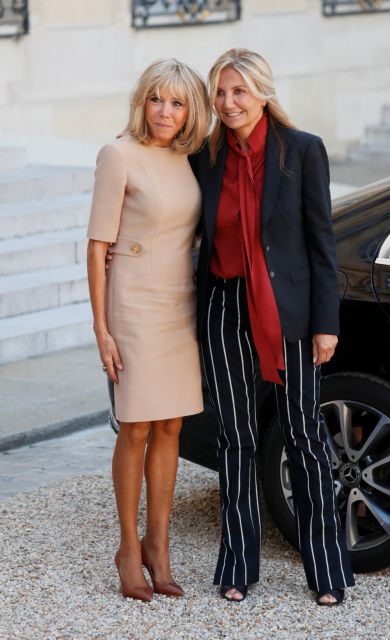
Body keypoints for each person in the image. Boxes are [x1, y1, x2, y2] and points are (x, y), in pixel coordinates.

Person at [192, 48, 355, 605]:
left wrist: (326, 323)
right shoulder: (207, 156)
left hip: (290, 313)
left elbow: (321, 243)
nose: (228, 102)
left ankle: (327, 570)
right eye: (220, 92)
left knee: (304, 434)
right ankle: (238, 565)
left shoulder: (302, 150)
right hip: (223, 307)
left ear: (263, 93)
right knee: (234, 436)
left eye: (238, 91)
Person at [87, 59, 210, 602]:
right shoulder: (118, 154)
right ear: (142, 100)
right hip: (132, 303)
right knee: (136, 425)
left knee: (171, 424)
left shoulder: (190, 157)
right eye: (157, 99)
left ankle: (158, 544)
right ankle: (126, 547)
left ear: (190, 111)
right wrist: (102, 329)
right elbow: (97, 246)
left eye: (177, 103)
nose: (165, 111)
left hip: (180, 299)